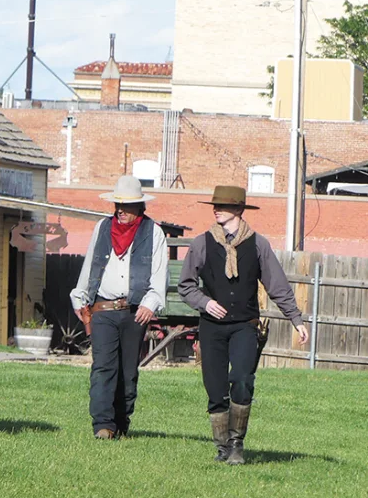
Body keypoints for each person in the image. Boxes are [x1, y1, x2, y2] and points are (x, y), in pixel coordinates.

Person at [178, 185, 309, 464]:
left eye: (223, 206)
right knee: (214, 388)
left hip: (245, 325)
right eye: (215, 205)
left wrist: (296, 319)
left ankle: (237, 444)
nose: (216, 209)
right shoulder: (202, 243)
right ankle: (222, 447)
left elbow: (278, 285)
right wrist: (205, 303)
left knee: (241, 380)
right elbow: (186, 286)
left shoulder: (258, 244)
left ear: (238, 209)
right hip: (211, 326)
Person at [70, 175, 168, 440]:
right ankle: (102, 425)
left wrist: (151, 302)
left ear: (139, 206)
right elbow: (90, 265)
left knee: (128, 371)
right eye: (117, 205)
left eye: (126, 205)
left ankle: (121, 421)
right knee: (103, 366)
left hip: (135, 311)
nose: (120, 210)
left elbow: (160, 274)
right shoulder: (103, 228)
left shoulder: (153, 232)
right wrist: (80, 298)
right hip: (103, 309)